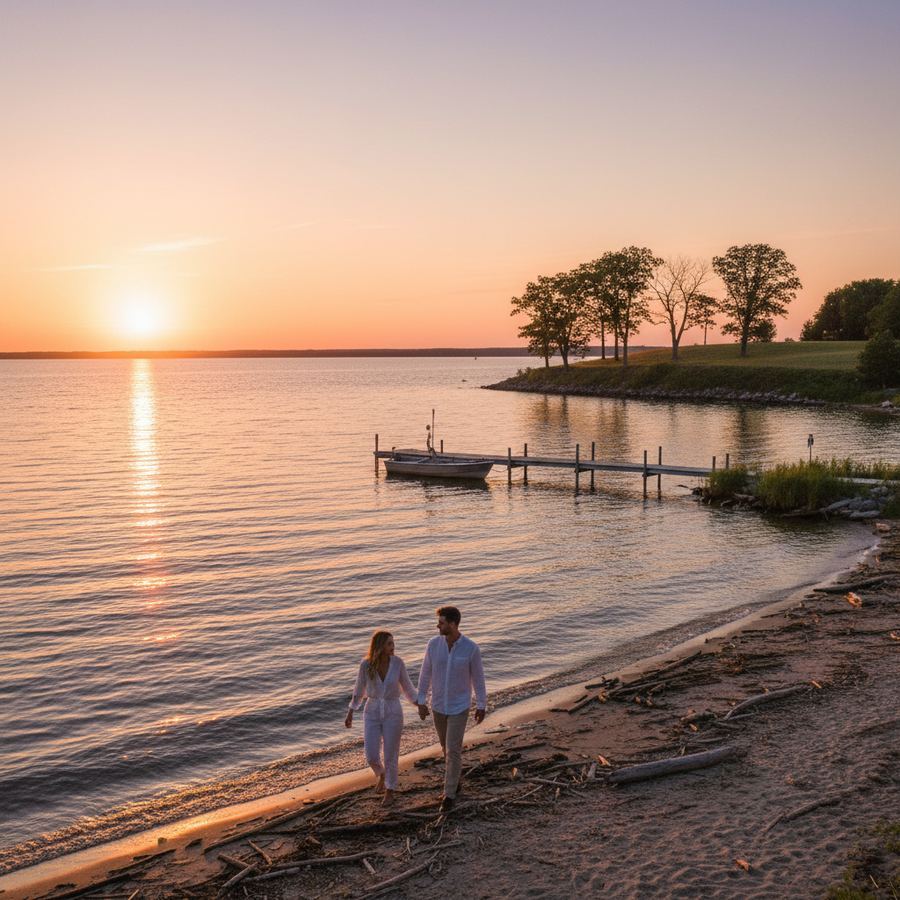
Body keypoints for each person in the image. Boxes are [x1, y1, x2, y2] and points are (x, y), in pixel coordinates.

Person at [416, 606, 487, 812]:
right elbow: (425, 674)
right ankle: (455, 780)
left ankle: (449, 794)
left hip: (459, 706)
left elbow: (478, 680)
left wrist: (481, 705)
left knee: (454, 750)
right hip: (438, 706)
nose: (438, 625)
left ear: (454, 624)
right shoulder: (433, 645)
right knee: (447, 749)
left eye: (442, 622)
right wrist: (421, 701)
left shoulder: (470, 648)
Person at [345, 630, 418, 805]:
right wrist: (350, 712)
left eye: (393, 643)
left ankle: (390, 789)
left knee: (390, 754)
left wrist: (419, 704)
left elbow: (407, 687)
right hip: (372, 710)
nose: (393, 647)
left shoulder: (398, 663)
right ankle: (381, 773)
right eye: (389, 644)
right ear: (379, 646)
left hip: (393, 710)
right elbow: (359, 689)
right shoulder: (366, 665)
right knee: (371, 754)